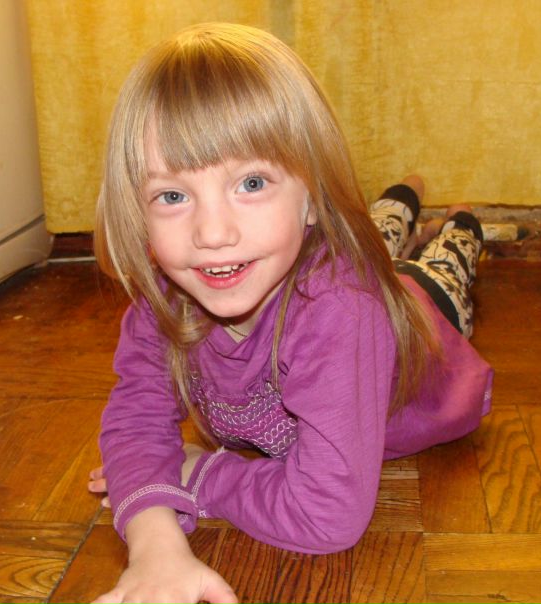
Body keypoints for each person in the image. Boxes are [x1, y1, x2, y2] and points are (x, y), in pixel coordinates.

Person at [87, 22, 493, 604]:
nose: (212, 233)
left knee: (443, 264)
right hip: (317, 259)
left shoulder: (341, 309)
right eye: (172, 196)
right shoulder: (168, 292)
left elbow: (326, 514)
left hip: (429, 318)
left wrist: (199, 474)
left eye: (251, 182)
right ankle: (401, 200)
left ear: (312, 197)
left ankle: (457, 219)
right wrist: (155, 544)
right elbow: (135, 420)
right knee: (375, 236)